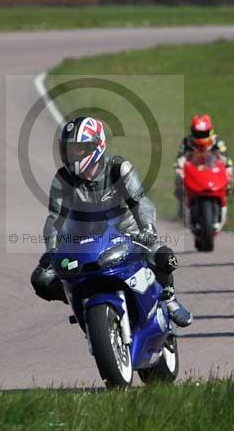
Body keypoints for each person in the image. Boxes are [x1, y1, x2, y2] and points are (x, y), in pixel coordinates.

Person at [31, 116, 193, 327]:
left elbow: (140, 202)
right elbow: (55, 219)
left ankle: (169, 298)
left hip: (127, 234)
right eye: (69, 149)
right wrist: (52, 250)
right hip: (83, 241)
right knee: (41, 279)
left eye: (78, 149)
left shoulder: (118, 168)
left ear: (97, 146)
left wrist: (148, 230)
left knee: (164, 257)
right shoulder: (62, 179)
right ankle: (82, 300)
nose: (72, 155)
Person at [174, 114, 234, 219]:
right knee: (179, 181)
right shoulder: (187, 142)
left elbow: (226, 159)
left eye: (204, 134)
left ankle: (222, 207)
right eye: (198, 134)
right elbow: (180, 159)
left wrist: (228, 172)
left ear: (210, 132)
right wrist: (179, 171)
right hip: (193, 170)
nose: (201, 137)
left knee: (228, 181)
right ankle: (182, 206)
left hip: (211, 170)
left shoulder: (217, 141)